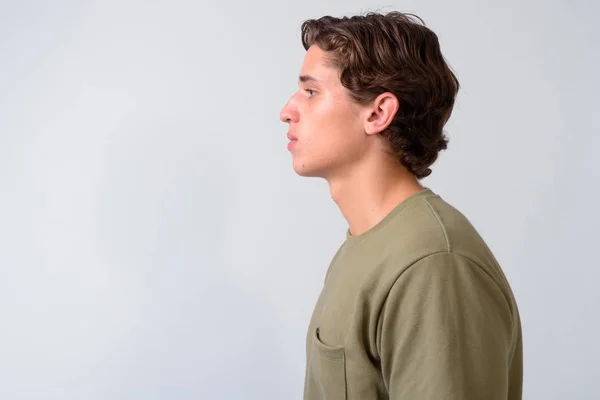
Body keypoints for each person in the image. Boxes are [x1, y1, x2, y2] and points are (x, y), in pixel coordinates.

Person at [279, 11, 523, 400]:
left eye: (311, 92)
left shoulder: (433, 264)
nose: (287, 110)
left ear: (377, 113)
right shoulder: (367, 246)